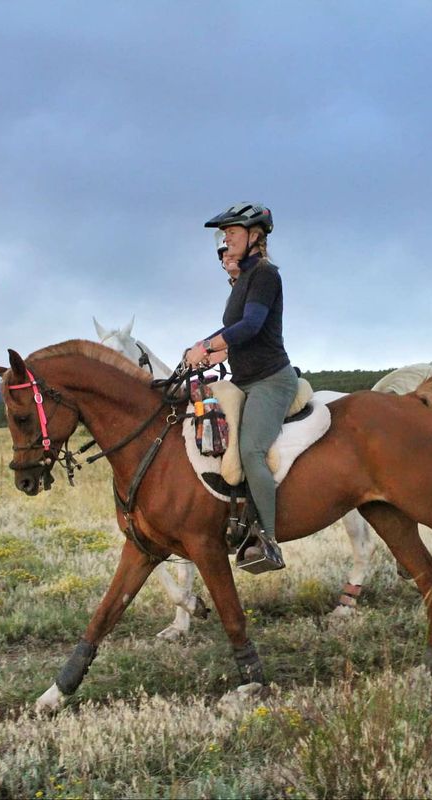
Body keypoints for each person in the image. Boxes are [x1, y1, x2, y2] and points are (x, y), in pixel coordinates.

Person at [185, 202, 296, 572]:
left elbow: (250, 326)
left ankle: (267, 539)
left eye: (232, 231)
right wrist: (210, 349)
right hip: (244, 380)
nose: (226, 237)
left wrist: (210, 345)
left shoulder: (265, 275)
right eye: (225, 232)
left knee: (251, 451)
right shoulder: (242, 281)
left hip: (270, 381)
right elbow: (238, 334)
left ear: (255, 236)